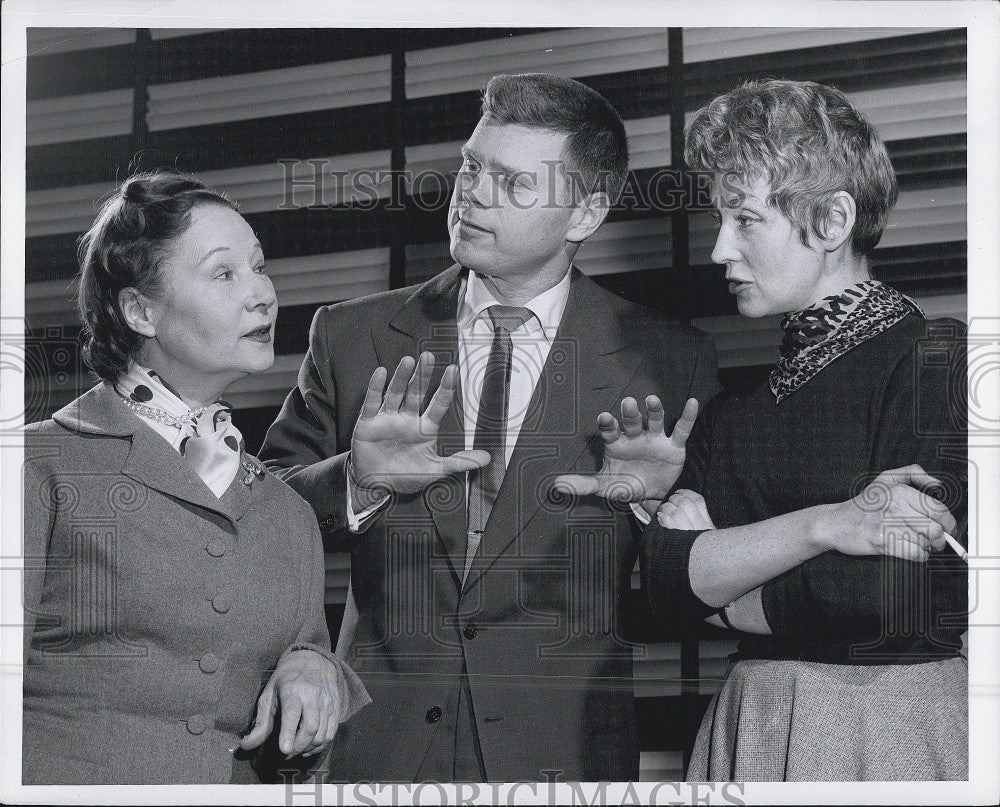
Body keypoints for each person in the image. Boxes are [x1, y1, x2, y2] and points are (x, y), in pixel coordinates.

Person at [259, 72, 719, 782]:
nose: (472, 193)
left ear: (585, 213)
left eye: (512, 183)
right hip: (374, 746)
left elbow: (690, 594)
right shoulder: (351, 335)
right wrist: (357, 478)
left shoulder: (669, 360)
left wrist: (654, 510)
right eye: (472, 168)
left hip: (564, 755)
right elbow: (264, 520)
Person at [558, 79, 968, 781]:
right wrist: (831, 524)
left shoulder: (939, 355)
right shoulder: (732, 411)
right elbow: (661, 594)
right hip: (746, 730)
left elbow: (902, 596)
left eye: (745, 220)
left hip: (892, 730)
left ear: (833, 220)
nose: (719, 249)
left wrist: (718, 569)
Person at [21, 171, 370, 785]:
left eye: (259, 267)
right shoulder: (38, 466)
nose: (263, 293)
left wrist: (316, 666)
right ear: (141, 310)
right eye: (224, 273)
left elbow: (305, 667)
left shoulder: (285, 511)